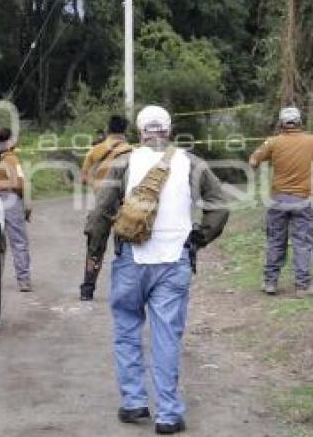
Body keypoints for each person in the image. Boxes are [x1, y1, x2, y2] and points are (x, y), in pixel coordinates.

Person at [85, 106, 229, 434]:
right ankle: (167, 414)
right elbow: (219, 206)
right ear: (169, 130)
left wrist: (93, 261)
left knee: (126, 330)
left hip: (130, 262)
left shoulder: (123, 162)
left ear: (139, 132)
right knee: (166, 336)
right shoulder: (192, 163)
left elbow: (100, 215)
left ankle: (134, 401)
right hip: (173, 261)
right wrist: (198, 238)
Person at [249, 107, 313, 297]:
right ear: (300, 122)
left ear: (281, 124)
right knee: (303, 243)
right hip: (305, 200)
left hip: (278, 199)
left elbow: (253, 162)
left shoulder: (273, 142)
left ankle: (270, 283)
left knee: (275, 240)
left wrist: (268, 156)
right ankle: (302, 286)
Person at [79, 115, 132, 301]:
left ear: (108, 128)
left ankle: (87, 289)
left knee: (95, 247)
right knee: (126, 246)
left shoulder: (96, 150)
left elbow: (84, 178)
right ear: (125, 131)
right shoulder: (132, 152)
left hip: (101, 203)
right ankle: (125, 289)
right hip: (125, 205)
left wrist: (98, 187)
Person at [0, 127, 32, 292]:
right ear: (9, 141)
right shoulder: (12, 160)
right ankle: (24, 280)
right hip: (11, 200)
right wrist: (26, 205)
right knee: (19, 241)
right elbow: (19, 184)